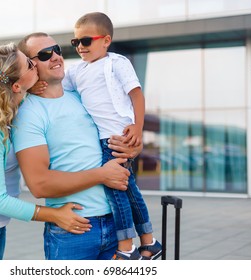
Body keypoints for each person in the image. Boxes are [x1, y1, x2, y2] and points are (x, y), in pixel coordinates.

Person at [0, 42, 93, 260]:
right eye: (31, 65)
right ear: (15, 85)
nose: (36, 66)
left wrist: (28, 87)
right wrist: (55, 215)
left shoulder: (14, 109)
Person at [13, 32, 141, 260]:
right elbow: (39, 185)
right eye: (44, 54)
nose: (55, 57)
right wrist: (102, 175)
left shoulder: (82, 96)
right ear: (30, 66)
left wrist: (131, 147)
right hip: (73, 230)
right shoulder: (29, 113)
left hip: (117, 225)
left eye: (57, 50)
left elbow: (117, 132)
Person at [63, 12, 162, 260]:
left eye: (86, 41)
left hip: (117, 137)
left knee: (116, 192)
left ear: (106, 40)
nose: (80, 47)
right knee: (128, 190)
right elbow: (57, 86)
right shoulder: (76, 71)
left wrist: (137, 128)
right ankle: (150, 241)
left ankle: (127, 247)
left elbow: (136, 95)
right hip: (102, 139)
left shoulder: (116, 63)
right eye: (76, 42)